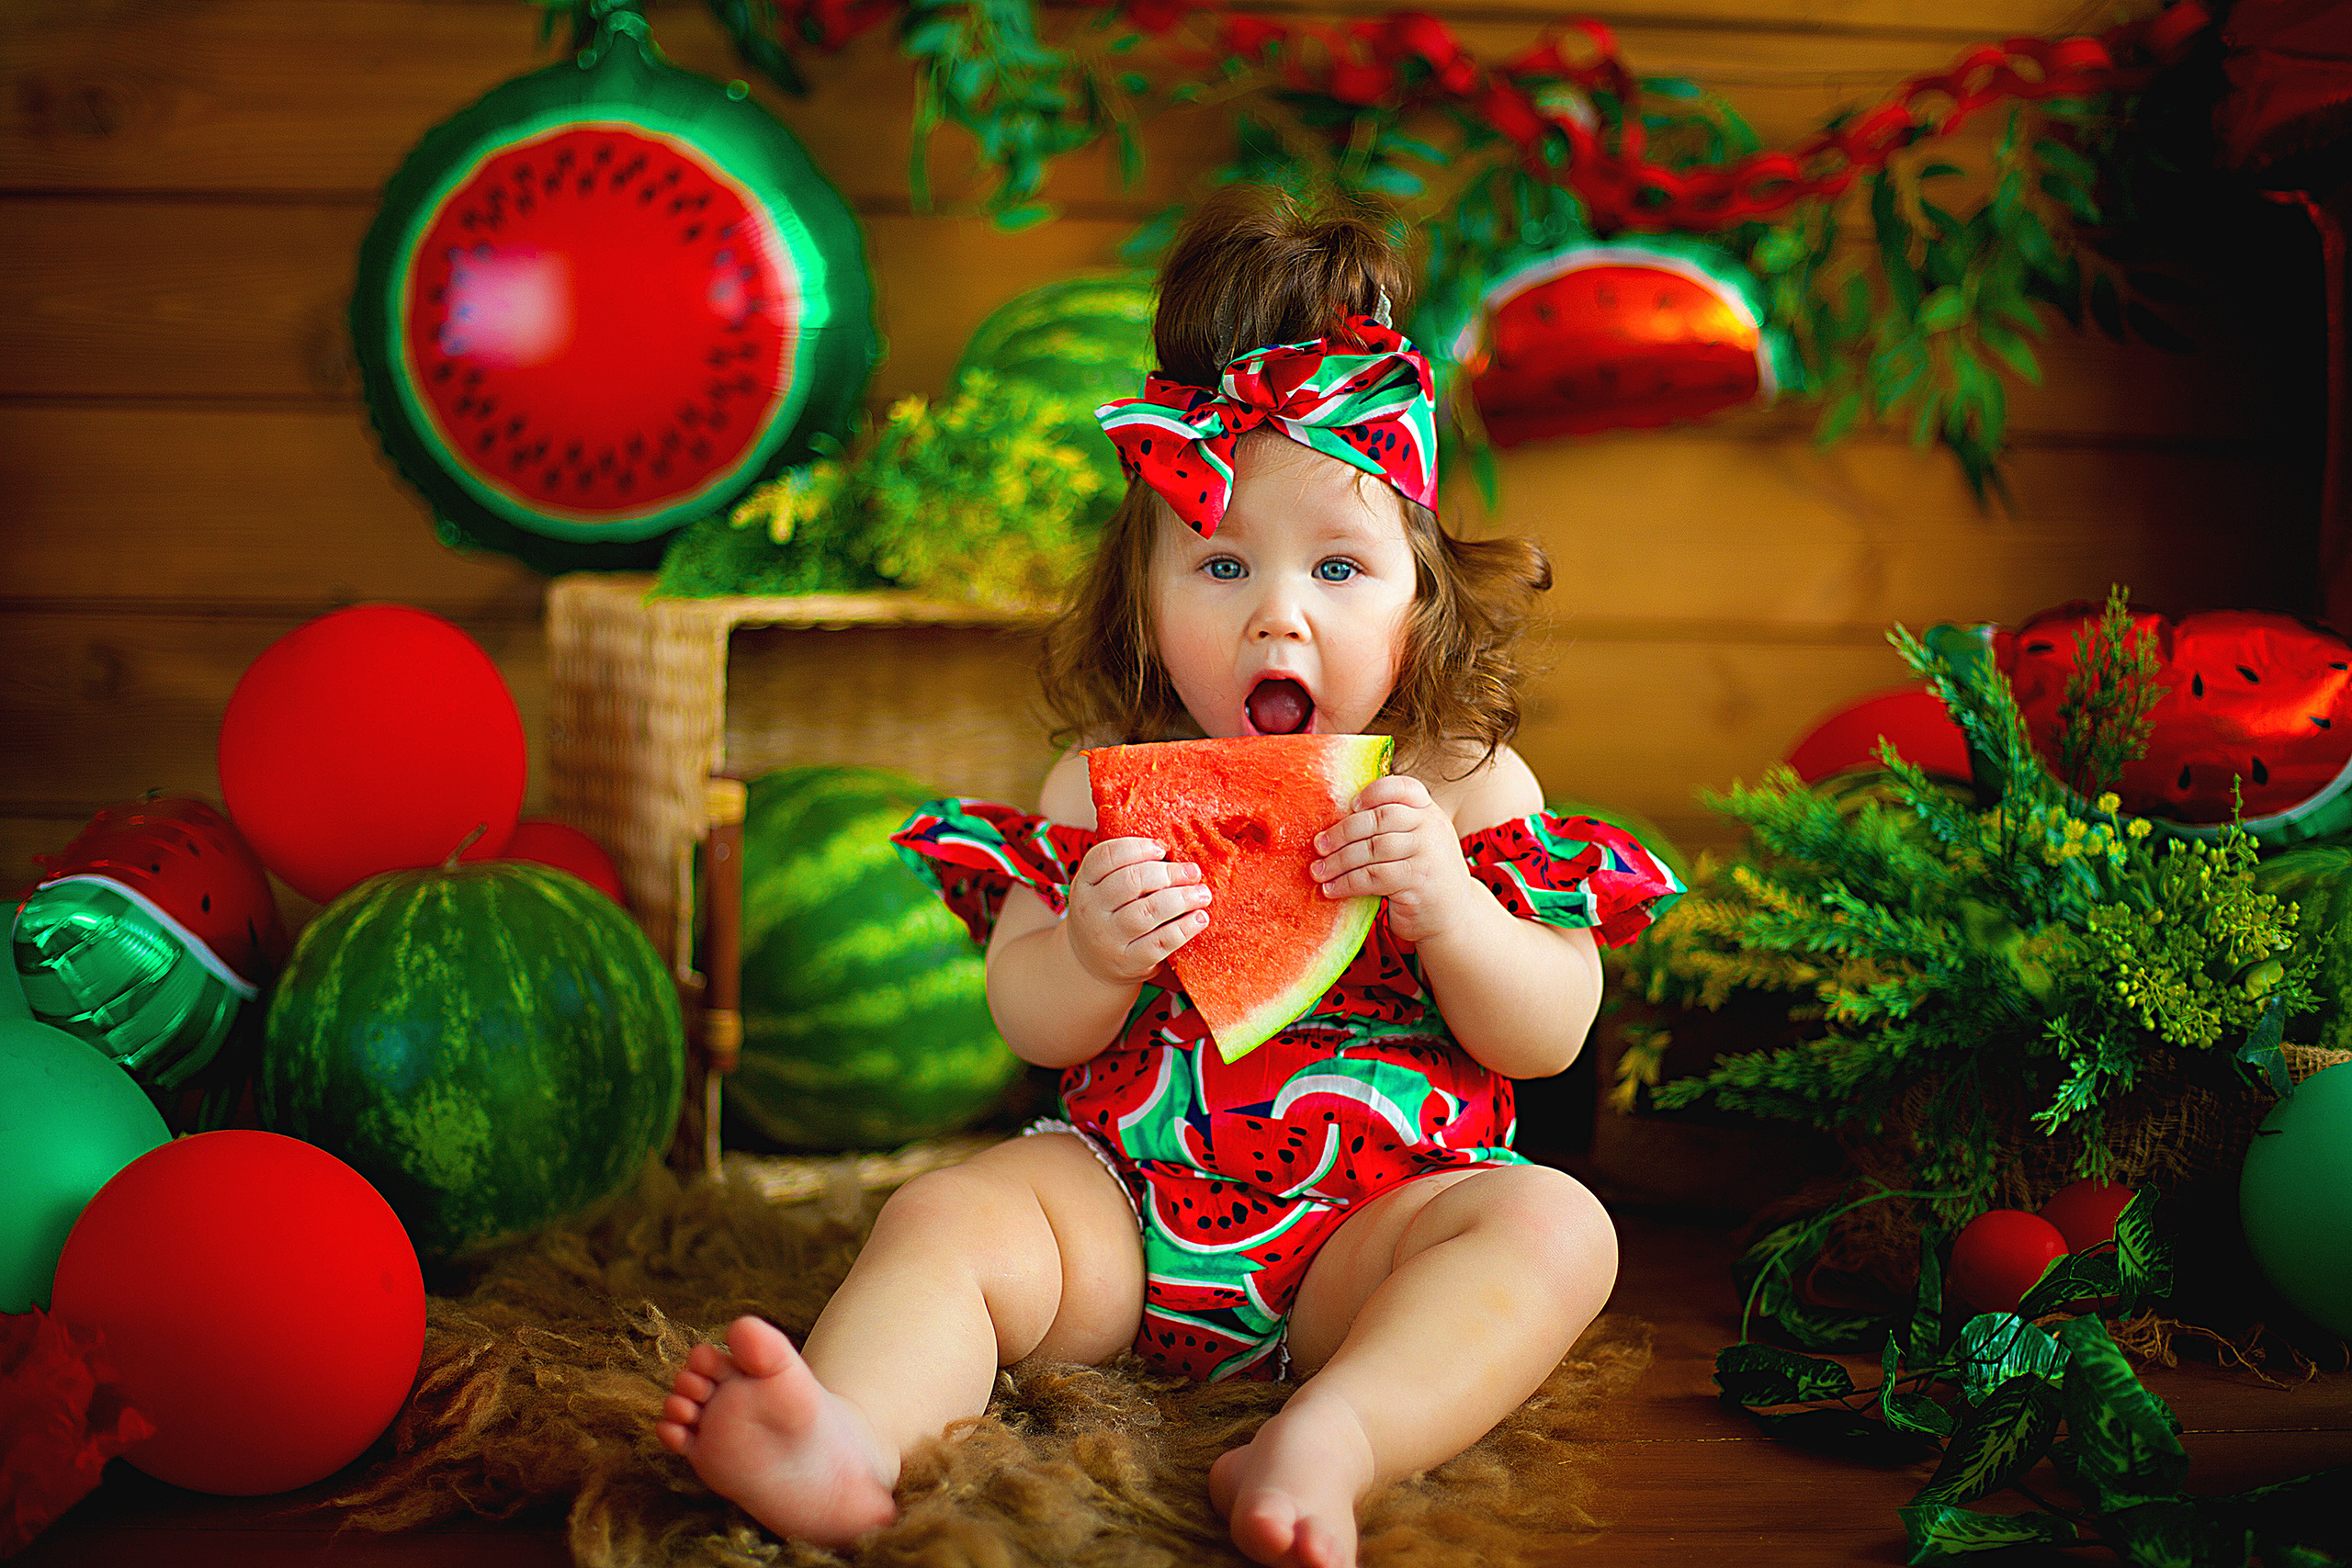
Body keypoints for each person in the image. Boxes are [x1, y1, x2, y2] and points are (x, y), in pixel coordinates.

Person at [655, 185, 1683, 1568]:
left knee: (1557, 1229)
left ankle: (1342, 1434)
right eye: (1218, 561)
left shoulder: (1468, 790)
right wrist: (1086, 952)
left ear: (1420, 597)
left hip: (1370, 1239)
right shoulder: (1100, 784)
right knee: (948, 1215)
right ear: (1138, 594)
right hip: (1123, 1219)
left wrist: (1454, 909)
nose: (1279, 611)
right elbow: (1030, 1021)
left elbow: (1547, 1033)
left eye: (1338, 564)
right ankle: (846, 1435)